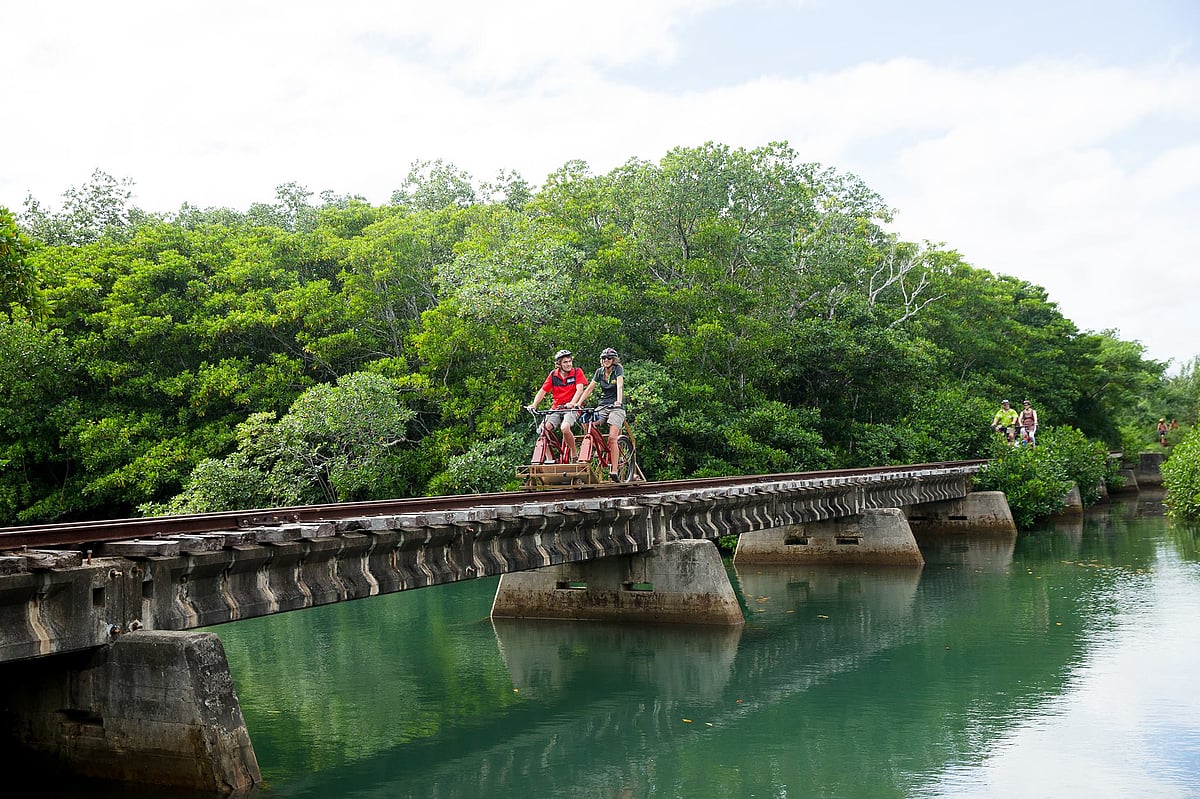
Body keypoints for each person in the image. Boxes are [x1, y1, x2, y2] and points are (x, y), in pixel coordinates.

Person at [526, 350, 587, 461]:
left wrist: (572, 403)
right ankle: (550, 459)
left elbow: (580, 389)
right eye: (565, 362)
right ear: (559, 364)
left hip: (572, 409)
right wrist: (534, 405)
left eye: (570, 361)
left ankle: (574, 454)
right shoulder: (553, 375)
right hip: (557, 408)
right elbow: (543, 391)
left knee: (565, 428)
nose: (569, 364)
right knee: (542, 431)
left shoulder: (577, 372)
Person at [577, 347, 626, 479]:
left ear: (613, 360)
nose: (606, 360)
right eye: (604, 358)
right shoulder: (599, 372)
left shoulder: (617, 370)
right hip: (604, 405)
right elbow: (589, 389)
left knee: (612, 438)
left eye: (609, 358)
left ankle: (614, 470)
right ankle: (598, 445)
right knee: (586, 420)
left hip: (616, 407)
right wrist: (578, 403)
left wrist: (619, 401)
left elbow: (619, 386)